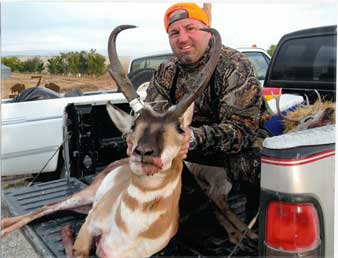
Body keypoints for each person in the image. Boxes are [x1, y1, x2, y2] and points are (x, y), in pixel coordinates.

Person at [143, 1, 269, 203]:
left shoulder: (234, 66)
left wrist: (192, 137)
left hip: (234, 149)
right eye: (174, 33)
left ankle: (252, 214)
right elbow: (149, 115)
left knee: (251, 160)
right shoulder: (167, 71)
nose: (182, 38)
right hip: (184, 148)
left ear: (208, 31)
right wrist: (137, 138)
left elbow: (242, 132)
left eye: (190, 28)